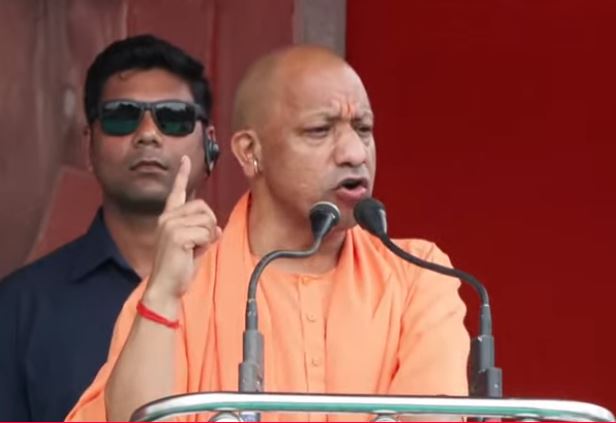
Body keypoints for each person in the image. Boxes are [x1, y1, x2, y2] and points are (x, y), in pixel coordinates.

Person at [67, 45, 469, 422]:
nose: (355, 153)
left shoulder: (417, 275)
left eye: (363, 129)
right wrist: (161, 297)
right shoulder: (184, 285)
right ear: (249, 151)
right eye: (320, 130)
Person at [0, 34, 219, 421]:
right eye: (122, 116)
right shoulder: (20, 306)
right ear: (89, 145)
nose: (148, 133)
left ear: (210, 145)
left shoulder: (253, 287)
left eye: (174, 117)